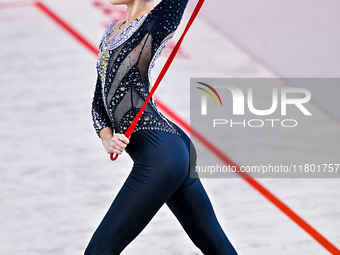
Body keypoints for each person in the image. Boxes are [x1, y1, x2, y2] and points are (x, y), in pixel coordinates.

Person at [85, 0, 238, 254]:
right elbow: (98, 102)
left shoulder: (155, 23)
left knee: (98, 252)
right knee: (216, 247)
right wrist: (107, 138)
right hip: (169, 148)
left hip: (161, 154)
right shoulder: (111, 31)